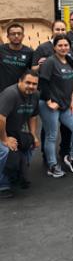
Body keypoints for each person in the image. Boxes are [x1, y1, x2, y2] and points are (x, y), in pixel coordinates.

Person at [38, 35, 73, 176]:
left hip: (65, 105)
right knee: (52, 135)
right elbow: (43, 82)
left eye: (66, 45)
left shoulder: (70, 61)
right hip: (50, 104)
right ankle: (52, 165)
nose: (63, 48)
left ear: (69, 46)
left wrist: (72, 102)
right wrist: (48, 101)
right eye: (60, 45)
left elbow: (72, 84)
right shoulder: (50, 62)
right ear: (54, 47)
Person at [0, 70, 40, 198]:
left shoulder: (35, 95)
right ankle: (2, 185)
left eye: (34, 84)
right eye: (28, 82)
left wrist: (33, 135)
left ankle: (18, 174)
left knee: (31, 143)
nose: (31, 86)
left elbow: (33, 116)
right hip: (2, 130)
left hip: (13, 131)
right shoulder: (10, 94)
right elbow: (1, 119)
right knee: (5, 151)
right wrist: (4, 139)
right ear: (20, 81)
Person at [0, 23, 35, 91]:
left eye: (19, 33)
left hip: (21, 91)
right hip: (2, 91)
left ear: (23, 36)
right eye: (13, 34)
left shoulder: (30, 52)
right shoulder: (1, 50)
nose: (16, 36)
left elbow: (32, 72)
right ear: (8, 36)